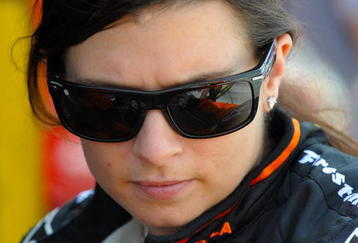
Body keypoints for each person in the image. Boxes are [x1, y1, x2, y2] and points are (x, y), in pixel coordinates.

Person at [22, 0, 358, 242]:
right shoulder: (61, 232)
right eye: (107, 105)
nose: (155, 150)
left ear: (273, 73)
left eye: (203, 100)